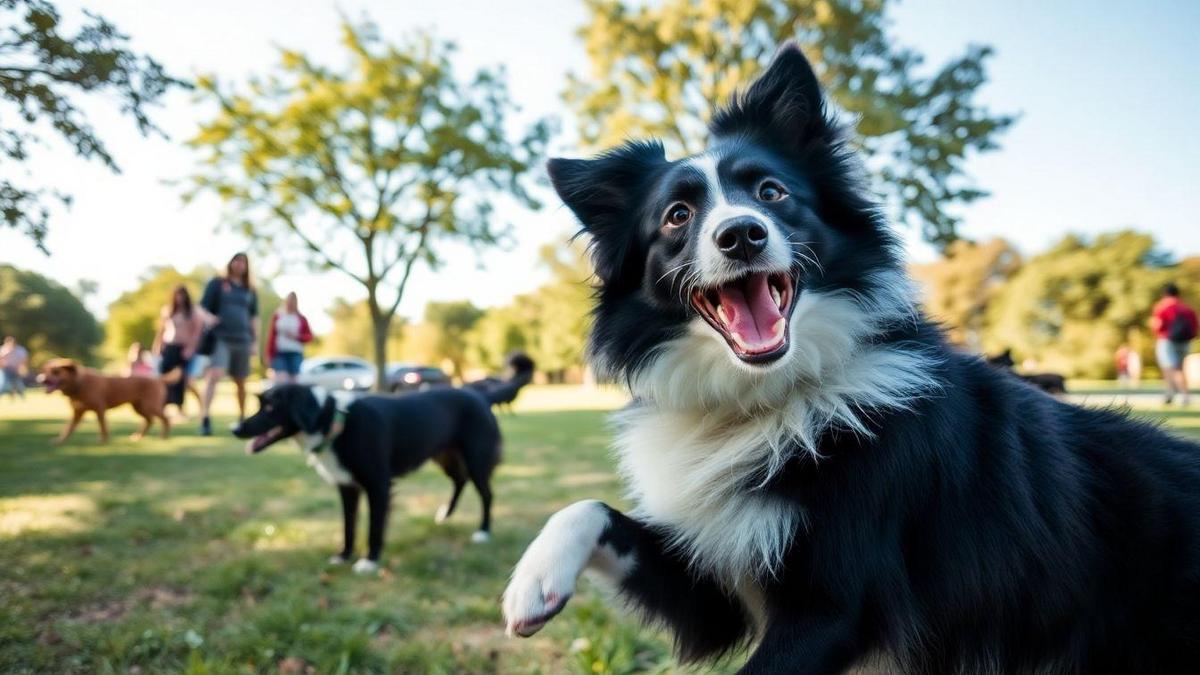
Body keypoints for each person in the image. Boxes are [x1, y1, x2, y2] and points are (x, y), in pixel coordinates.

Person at [198, 252, 259, 435]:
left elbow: (254, 318)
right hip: (221, 337)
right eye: (237, 260)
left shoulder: (250, 290)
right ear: (231, 262)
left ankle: (241, 418)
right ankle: (205, 418)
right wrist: (209, 318)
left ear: (247, 266)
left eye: (243, 262)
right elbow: (201, 308)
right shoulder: (217, 283)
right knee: (214, 375)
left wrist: (255, 341)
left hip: (243, 340)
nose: (240, 264)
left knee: (240, 381)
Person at [153, 285, 207, 417]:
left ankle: (181, 409)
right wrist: (157, 345)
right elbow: (162, 330)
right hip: (169, 348)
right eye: (177, 295)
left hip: (183, 349)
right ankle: (162, 407)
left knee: (181, 381)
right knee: (164, 378)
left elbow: (197, 333)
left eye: (181, 295)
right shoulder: (168, 310)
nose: (179, 298)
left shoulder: (192, 312)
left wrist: (190, 348)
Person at [1150, 282, 1198, 406]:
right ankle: (1173, 394)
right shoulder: (1187, 308)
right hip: (1185, 342)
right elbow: (1195, 326)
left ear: (1164, 294)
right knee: (1180, 368)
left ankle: (1178, 395)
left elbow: (1157, 325)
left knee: (1169, 368)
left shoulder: (1162, 307)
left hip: (1167, 341)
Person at [265, 292, 313, 384]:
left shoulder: (301, 318)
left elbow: (309, 336)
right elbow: (271, 336)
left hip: (295, 353)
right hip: (279, 352)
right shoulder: (278, 316)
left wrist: (297, 337)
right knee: (280, 380)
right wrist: (269, 355)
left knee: (294, 381)